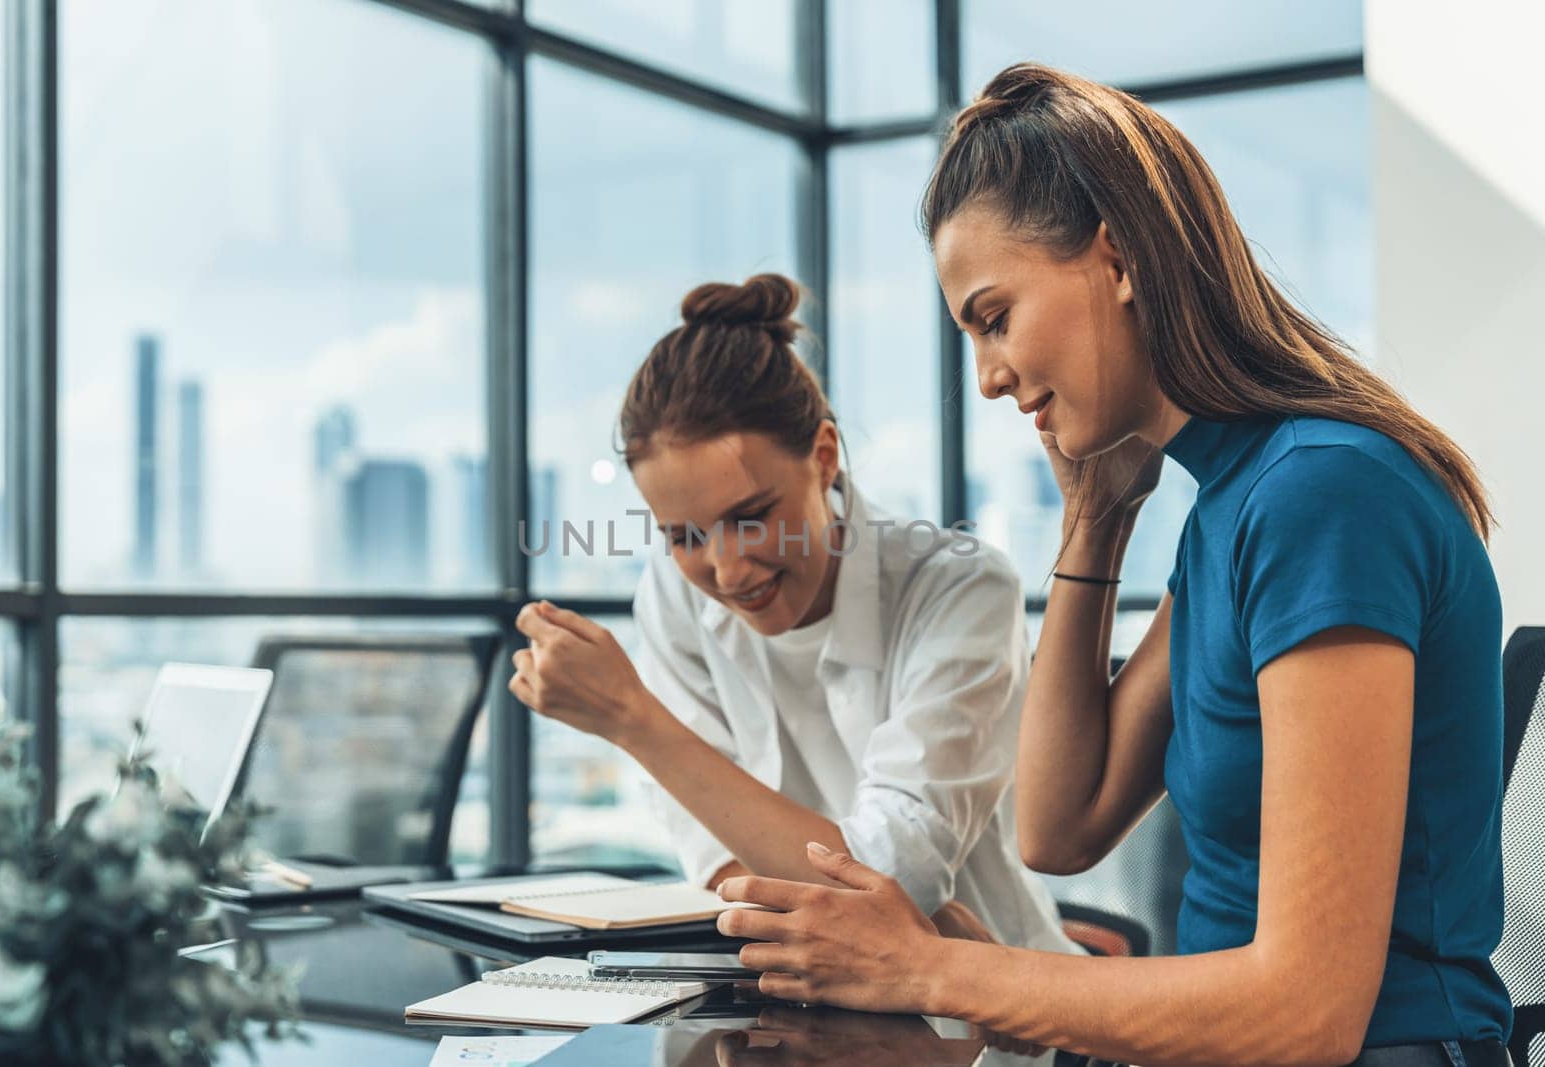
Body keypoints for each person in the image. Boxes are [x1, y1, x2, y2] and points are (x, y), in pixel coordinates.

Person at [712, 64, 1514, 1067]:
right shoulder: (1236, 505)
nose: (989, 376)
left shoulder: (1322, 495)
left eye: (993, 316)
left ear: (1119, 255)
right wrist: (1093, 521)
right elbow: (1060, 823)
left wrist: (924, 968)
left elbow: (1309, 1009)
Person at [507, 273, 1076, 957]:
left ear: (825, 457)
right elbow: (713, 853)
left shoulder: (959, 589)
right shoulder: (673, 589)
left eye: (750, 517)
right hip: (795, 995)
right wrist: (883, 909)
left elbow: (894, 880)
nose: (727, 570)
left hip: (991, 1020)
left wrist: (633, 719)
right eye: (683, 534)